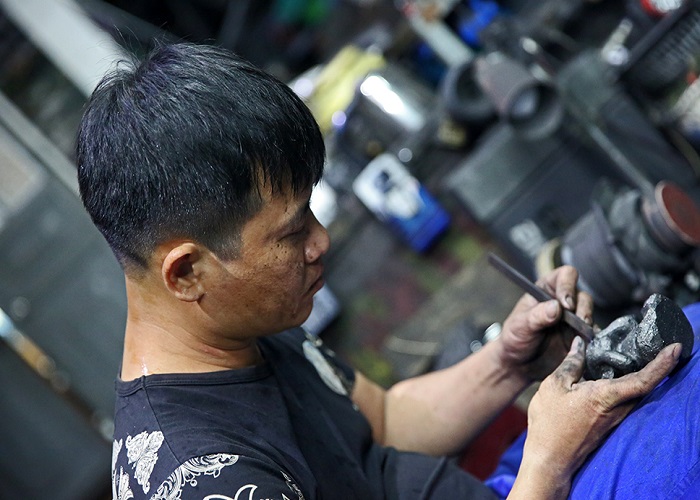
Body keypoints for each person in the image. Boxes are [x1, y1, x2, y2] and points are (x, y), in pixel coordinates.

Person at [76, 43, 680, 500]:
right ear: (186, 273)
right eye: (291, 234)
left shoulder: (239, 325)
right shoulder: (203, 479)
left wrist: (509, 362)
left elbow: (385, 424)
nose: (321, 241)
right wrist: (546, 464)